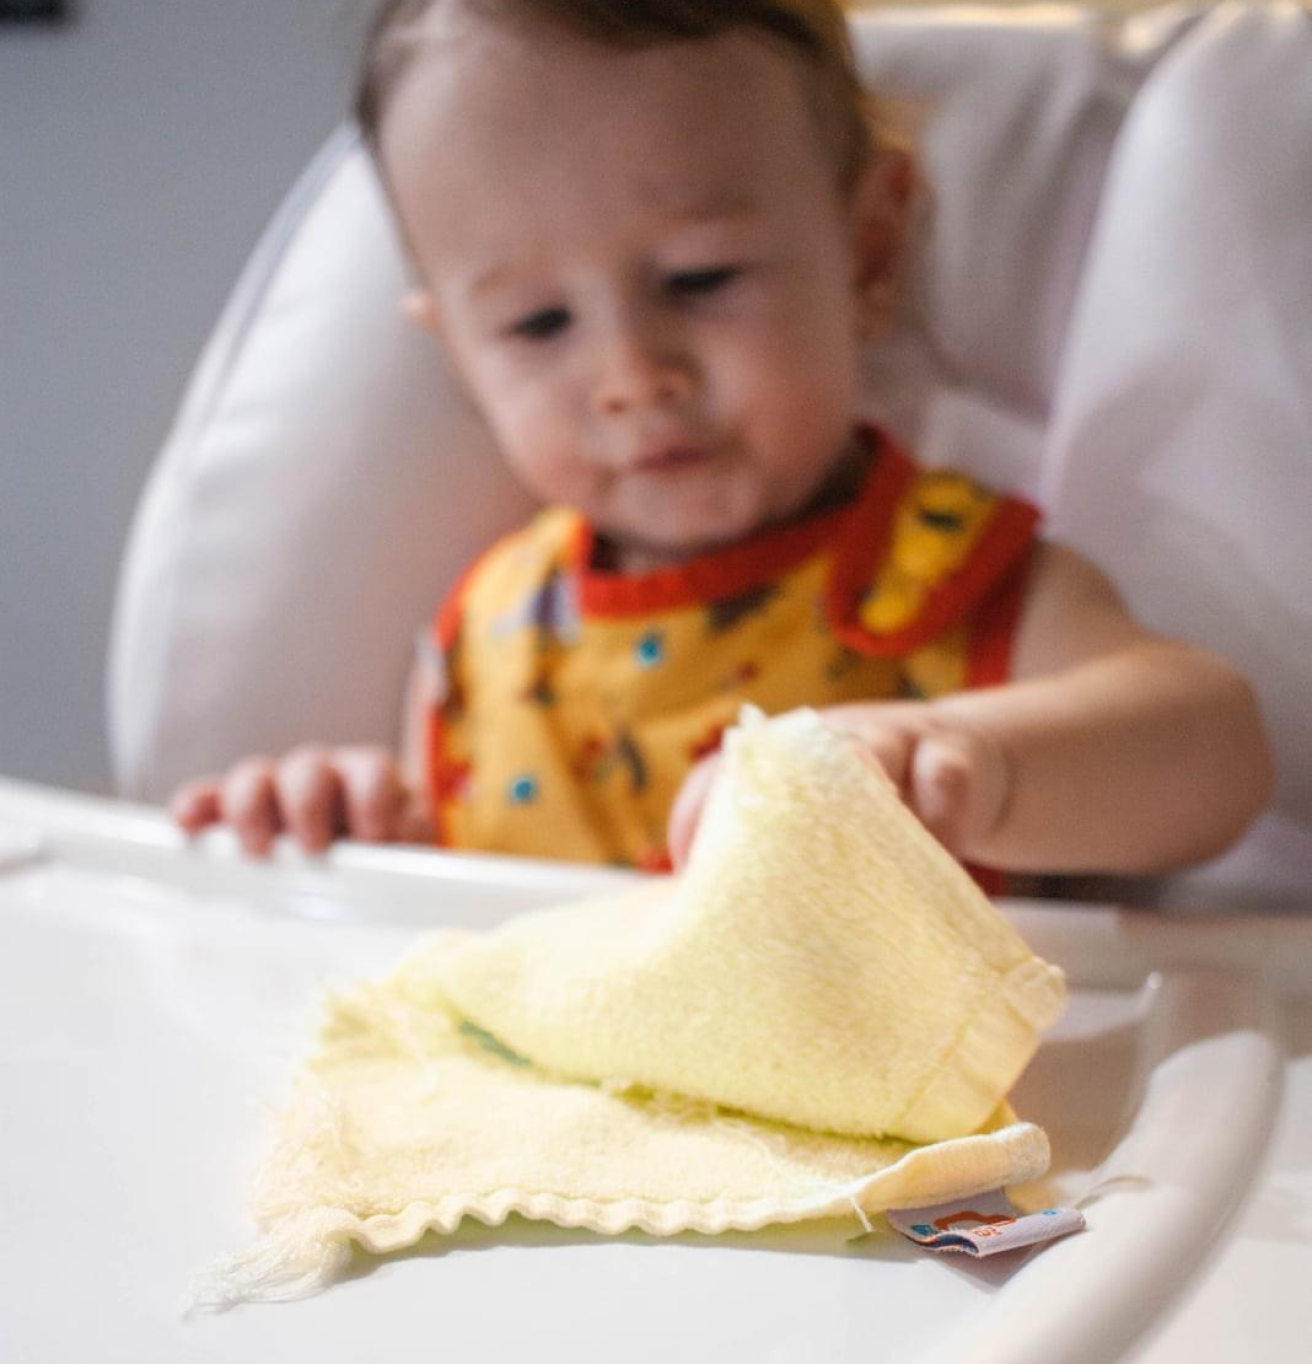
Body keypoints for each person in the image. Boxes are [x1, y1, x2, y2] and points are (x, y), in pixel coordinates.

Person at [171, 0, 1272, 882]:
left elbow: (1215, 751)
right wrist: (356, 826)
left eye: (700, 279)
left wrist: (965, 757)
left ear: (870, 254)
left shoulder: (941, 581)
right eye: (538, 324)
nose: (633, 375)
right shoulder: (498, 634)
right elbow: (466, 931)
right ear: (457, 351)